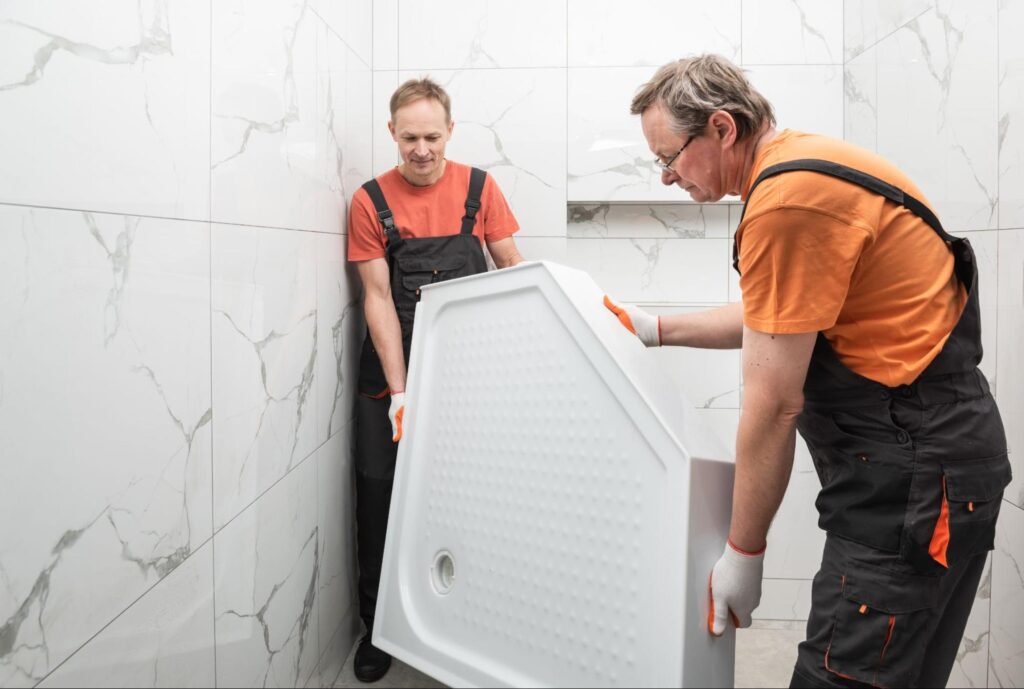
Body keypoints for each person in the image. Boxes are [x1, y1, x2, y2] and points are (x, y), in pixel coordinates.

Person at [606, 54, 1011, 688]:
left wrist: (744, 549)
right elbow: (785, 317)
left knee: (843, 674)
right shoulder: (803, 164)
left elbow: (773, 404)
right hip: (946, 463)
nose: (665, 177)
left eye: (669, 157)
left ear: (721, 128)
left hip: (913, 483)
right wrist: (655, 328)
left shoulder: (787, 202)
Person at [347, 77, 524, 683]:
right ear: (391, 133)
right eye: (409, 138)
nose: (421, 150)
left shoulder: (480, 188)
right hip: (390, 383)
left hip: (468, 382)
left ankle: (467, 626)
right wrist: (400, 394)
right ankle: (378, 629)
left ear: (450, 131)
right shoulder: (370, 199)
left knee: (471, 504)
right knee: (379, 500)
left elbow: (512, 274)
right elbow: (376, 300)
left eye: (432, 136)